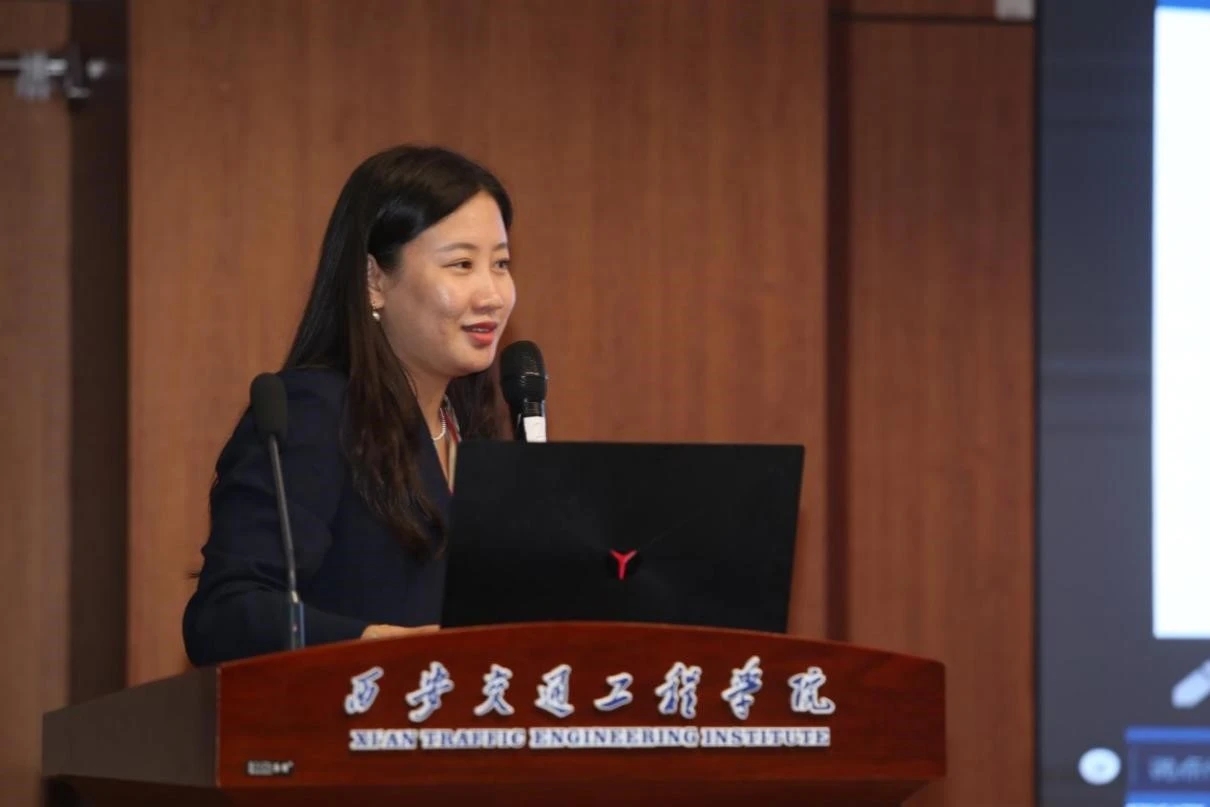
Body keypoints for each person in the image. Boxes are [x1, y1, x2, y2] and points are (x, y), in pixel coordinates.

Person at [182, 145, 517, 666]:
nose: (492, 294)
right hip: (348, 712)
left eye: (500, 264)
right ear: (374, 280)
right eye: (462, 264)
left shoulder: (474, 431)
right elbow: (224, 615)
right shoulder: (315, 413)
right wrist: (375, 644)